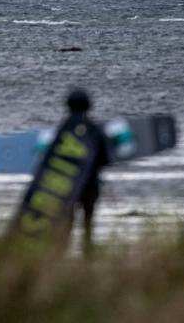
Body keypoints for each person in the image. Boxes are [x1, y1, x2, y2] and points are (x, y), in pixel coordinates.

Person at [60, 88, 110, 250]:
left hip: (69, 184)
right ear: (88, 106)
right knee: (88, 223)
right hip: (90, 184)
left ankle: (61, 256)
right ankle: (88, 253)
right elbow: (104, 158)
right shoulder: (94, 130)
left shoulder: (63, 130)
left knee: (67, 223)